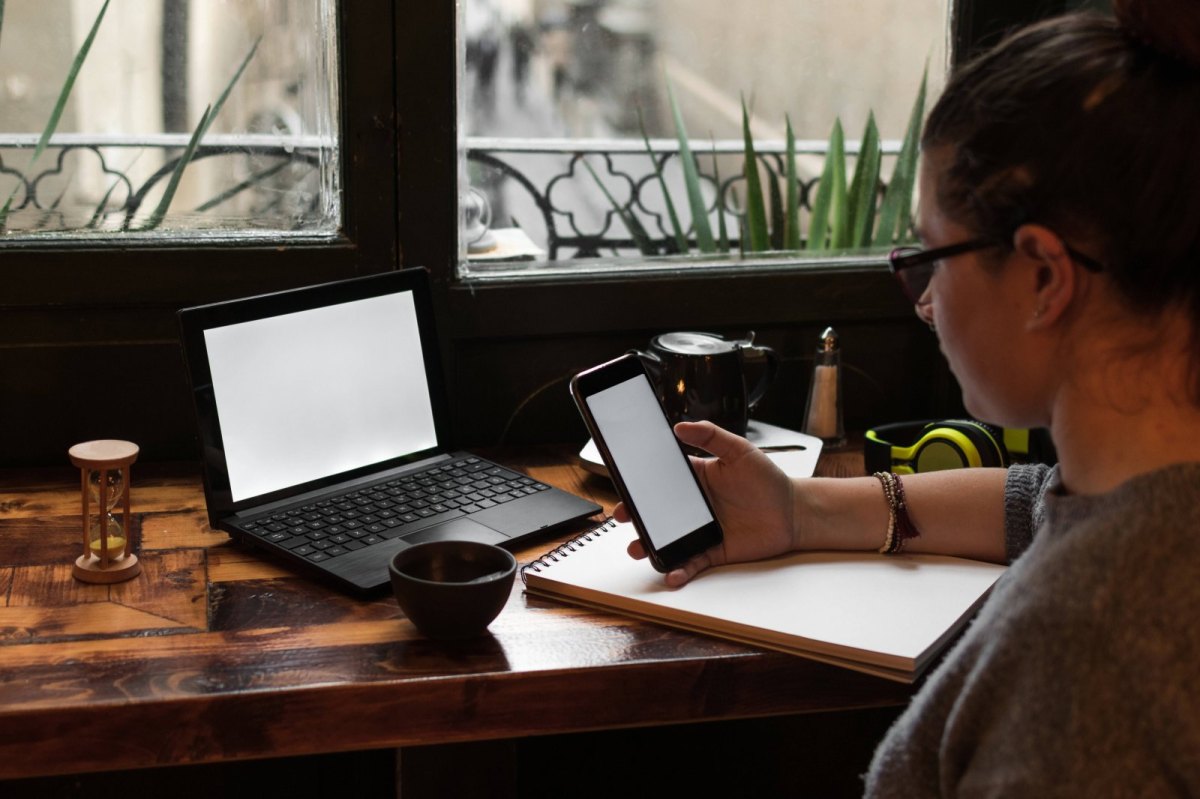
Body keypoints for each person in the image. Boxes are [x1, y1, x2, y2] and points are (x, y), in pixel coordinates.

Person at [617, 0, 1200, 794]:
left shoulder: (1089, 649)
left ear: (1043, 278)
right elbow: (1032, 505)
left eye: (934, 256)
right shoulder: (1144, 494)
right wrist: (799, 510)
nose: (923, 303)